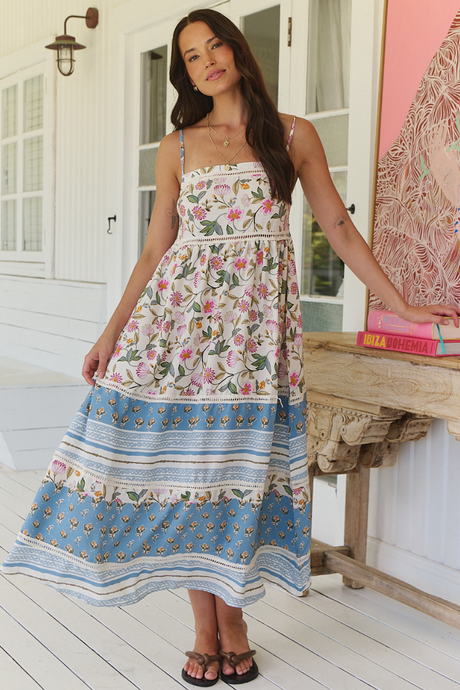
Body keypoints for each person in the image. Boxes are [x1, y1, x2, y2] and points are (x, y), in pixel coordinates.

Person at [2, 8, 460, 688]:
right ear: (186, 75)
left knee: (236, 479)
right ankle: (204, 629)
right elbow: (155, 250)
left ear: (238, 51)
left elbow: (337, 225)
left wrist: (399, 303)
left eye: (215, 44)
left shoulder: (293, 135)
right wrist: (110, 334)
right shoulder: (177, 146)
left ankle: (235, 623)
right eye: (192, 56)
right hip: (177, 336)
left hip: (256, 346)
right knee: (186, 476)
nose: (208, 60)